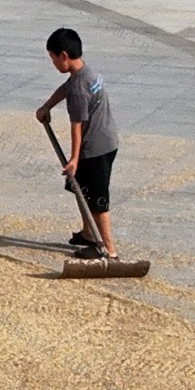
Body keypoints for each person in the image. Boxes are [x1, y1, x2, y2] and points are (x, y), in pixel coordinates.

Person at [35, 28, 120, 259]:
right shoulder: (86, 72)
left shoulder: (79, 90)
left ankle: (109, 250)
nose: (53, 63)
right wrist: (47, 106)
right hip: (107, 140)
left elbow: (77, 125)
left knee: (97, 199)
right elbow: (66, 87)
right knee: (80, 188)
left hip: (96, 149)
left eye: (53, 59)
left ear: (64, 55)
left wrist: (73, 159)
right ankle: (88, 234)